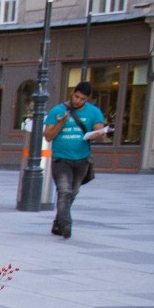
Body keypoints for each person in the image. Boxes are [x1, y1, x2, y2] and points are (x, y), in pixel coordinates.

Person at [43, 81, 108, 239]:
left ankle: (58, 223)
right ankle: (66, 225)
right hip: (61, 159)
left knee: (72, 193)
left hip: (82, 160)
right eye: (76, 96)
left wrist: (99, 134)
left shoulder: (94, 112)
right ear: (72, 93)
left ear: (87, 99)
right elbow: (48, 136)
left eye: (82, 98)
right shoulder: (58, 110)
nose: (78, 100)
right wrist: (61, 122)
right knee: (64, 192)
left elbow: (101, 133)